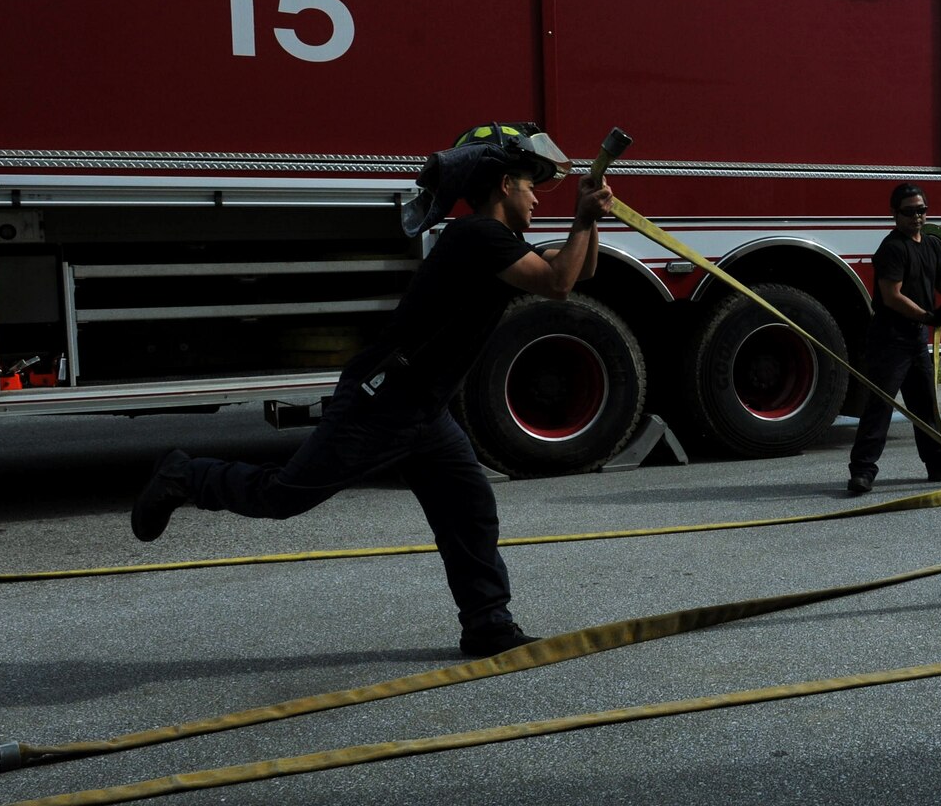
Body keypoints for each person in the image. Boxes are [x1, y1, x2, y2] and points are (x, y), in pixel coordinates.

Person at [129, 123, 612, 658]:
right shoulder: (477, 236)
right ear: (503, 185)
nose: (536, 199)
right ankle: (184, 475)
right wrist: (582, 217)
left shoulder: (495, 242)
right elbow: (559, 281)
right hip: (384, 401)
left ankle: (488, 626)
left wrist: (586, 221)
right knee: (284, 496)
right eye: (531, 187)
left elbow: (575, 274)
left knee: (469, 508)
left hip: (423, 409)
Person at [846, 182, 941, 495]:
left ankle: (937, 463)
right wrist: (927, 317)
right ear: (894, 214)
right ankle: (862, 472)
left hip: (916, 339)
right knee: (881, 406)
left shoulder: (932, 245)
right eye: (909, 212)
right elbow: (892, 297)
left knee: (925, 405)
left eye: (921, 210)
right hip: (889, 340)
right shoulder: (892, 249)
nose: (916, 217)